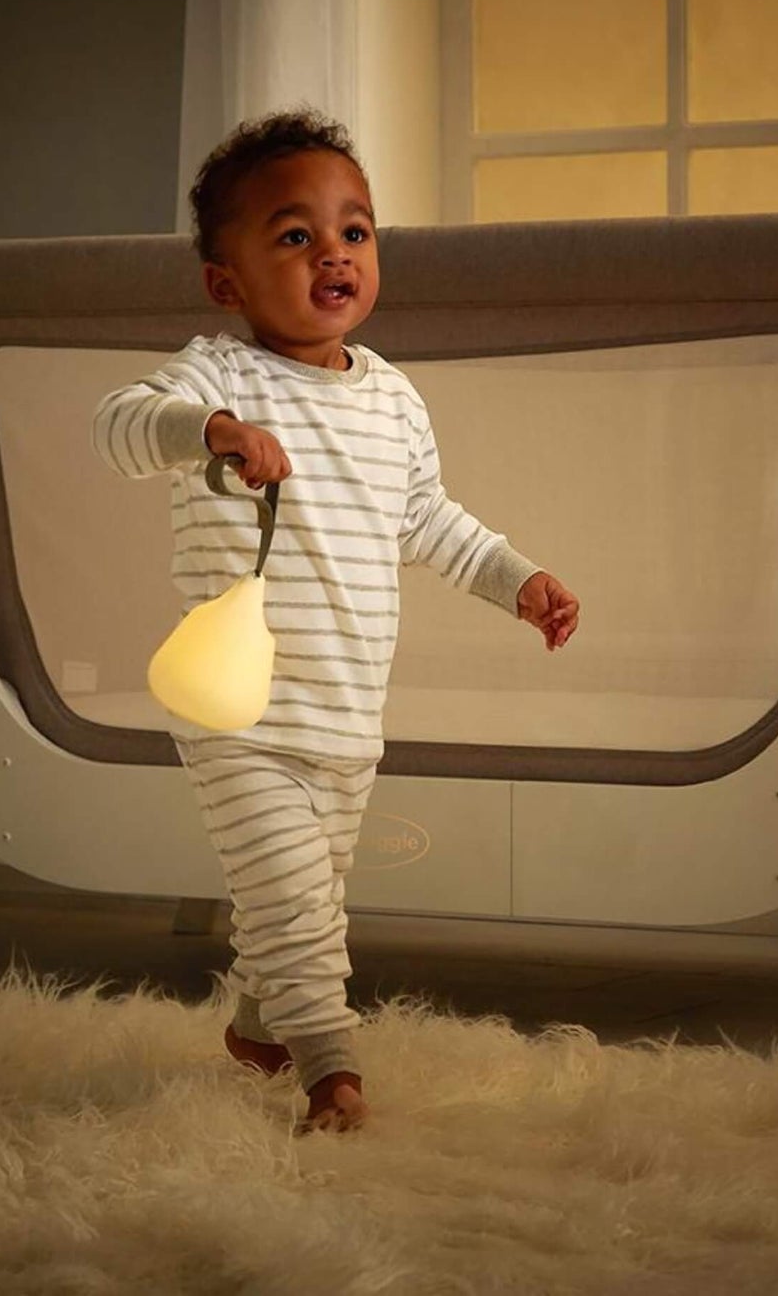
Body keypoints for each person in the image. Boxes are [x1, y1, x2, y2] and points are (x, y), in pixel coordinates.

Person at [92, 109, 579, 1133]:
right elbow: (118, 427)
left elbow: (430, 520)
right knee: (291, 893)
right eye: (293, 234)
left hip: (349, 717)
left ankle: (261, 1022)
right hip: (242, 711)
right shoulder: (215, 375)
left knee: (306, 892)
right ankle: (330, 1068)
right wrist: (211, 432)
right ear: (225, 282)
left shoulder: (393, 399)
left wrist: (517, 577)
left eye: (353, 231)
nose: (332, 253)